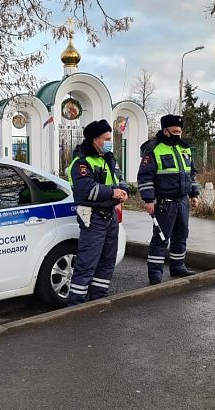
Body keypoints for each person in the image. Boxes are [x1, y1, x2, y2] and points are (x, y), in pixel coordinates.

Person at [66, 119, 129, 306]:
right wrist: (112, 192)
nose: (111, 142)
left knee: (107, 262)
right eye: (107, 138)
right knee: (87, 264)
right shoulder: (82, 162)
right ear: (95, 140)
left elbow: (121, 179)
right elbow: (86, 190)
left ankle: (98, 300)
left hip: (110, 216)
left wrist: (123, 191)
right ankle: (75, 305)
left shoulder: (109, 159)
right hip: (93, 218)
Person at [137, 114, 200, 285]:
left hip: (182, 201)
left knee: (181, 235)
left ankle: (178, 266)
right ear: (165, 131)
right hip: (164, 202)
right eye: (174, 131)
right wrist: (148, 200)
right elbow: (145, 177)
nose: (178, 134)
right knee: (161, 238)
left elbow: (191, 174)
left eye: (180, 131)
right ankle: (155, 273)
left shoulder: (184, 148)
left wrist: (194, 194)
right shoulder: (153, 150)